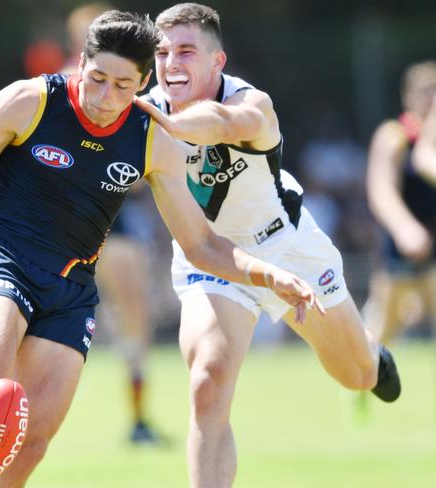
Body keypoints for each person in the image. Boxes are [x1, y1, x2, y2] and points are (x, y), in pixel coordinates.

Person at [0, 11, 321, 488]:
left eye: (123, 86)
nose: (106, 96)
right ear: (81, 64)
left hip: (71, 288)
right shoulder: (32, 101)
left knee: (33, 437)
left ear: (142, 85)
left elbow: (201, 244)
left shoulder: (153, 138)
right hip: (7, 258)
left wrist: (267, 275)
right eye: (97, 79)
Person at [133, 4, 401, 487]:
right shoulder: (144, 110)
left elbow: (224, 124)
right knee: (208, 381)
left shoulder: (252, 105)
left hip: (287, 247)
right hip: (209, 258)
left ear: (218, 62)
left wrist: (170, 125)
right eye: (163, 52)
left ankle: (372, 355)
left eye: (186, 51)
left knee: (356, 376)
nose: (171, 63)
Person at [63, 1, 159, 444]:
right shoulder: (61, 90)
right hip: (64, 227)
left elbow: (139, 178)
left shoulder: (133, 106)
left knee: (135, 317)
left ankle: (138, 419)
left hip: (114, 225)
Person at [363, 61, 436, 349]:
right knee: (385, 327)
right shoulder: (395, 135)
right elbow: (381, 190)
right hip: (402, 247)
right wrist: (405, 228)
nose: (431, 99)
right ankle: (360, 385)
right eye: (425, 91)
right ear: (408, 97)